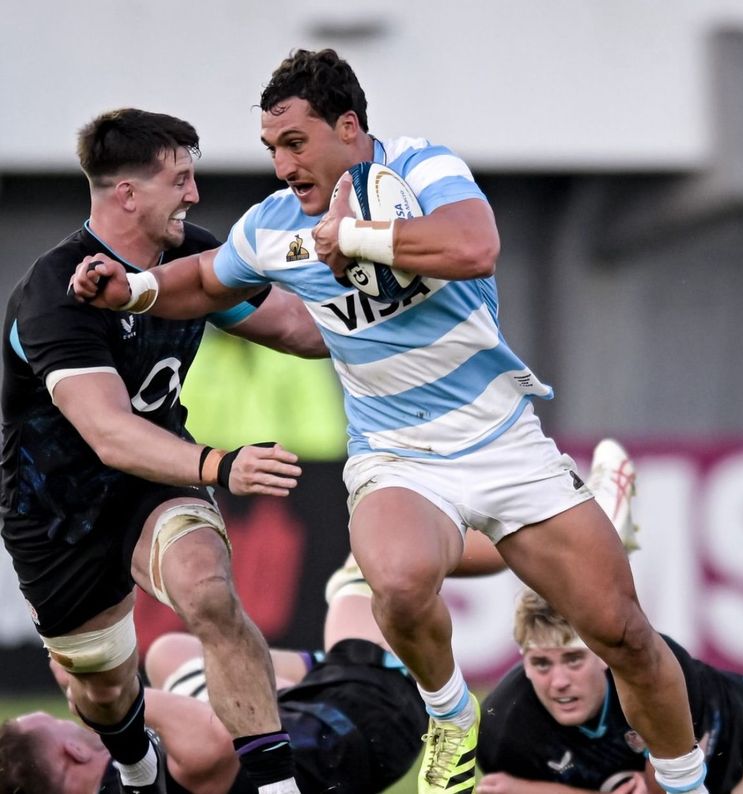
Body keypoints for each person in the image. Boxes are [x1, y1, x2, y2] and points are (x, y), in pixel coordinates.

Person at [69, 50, 707, 794]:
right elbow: (208, 280)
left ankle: (686, 781)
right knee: (395, 583)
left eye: (296, 144)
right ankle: (449, 713)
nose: (282, 166)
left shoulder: (424, 170)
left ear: (349, 127)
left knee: (624, 637)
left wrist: (360, 240)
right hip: (396, 454)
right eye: (273, 149)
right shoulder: (275, 225)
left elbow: (475, 247)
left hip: (504, 442)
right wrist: (135, 289)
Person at [1, 108, 328, 793]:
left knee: (208, 592)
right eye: (180, 179)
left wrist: (398, 305)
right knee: (104, 691)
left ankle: (275, 785)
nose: (194, 193)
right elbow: (109, 433)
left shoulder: (189, 258)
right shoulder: (52, 297)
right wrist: (221, 464)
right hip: (56, 518)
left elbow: (298, 329)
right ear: (127, 194)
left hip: (153, 483)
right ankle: (138, 767)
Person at [0, 558, 428, 794]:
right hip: (374, 720)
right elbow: (214, 741)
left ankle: (324, 666)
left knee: (171, 653)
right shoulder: (162, 769)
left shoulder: (123, 778)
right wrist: (103, 693)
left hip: (322, 724)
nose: (71, 718)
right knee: (376, 560)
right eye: (61, 721)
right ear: (72, 751)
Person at [476, 588, 743, 794]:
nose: (558, 681)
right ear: (523, 662)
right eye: (541, 664)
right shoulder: (503, 731)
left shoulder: (654, 675)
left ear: (602, 655)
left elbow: (664, 791)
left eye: (573, 659)